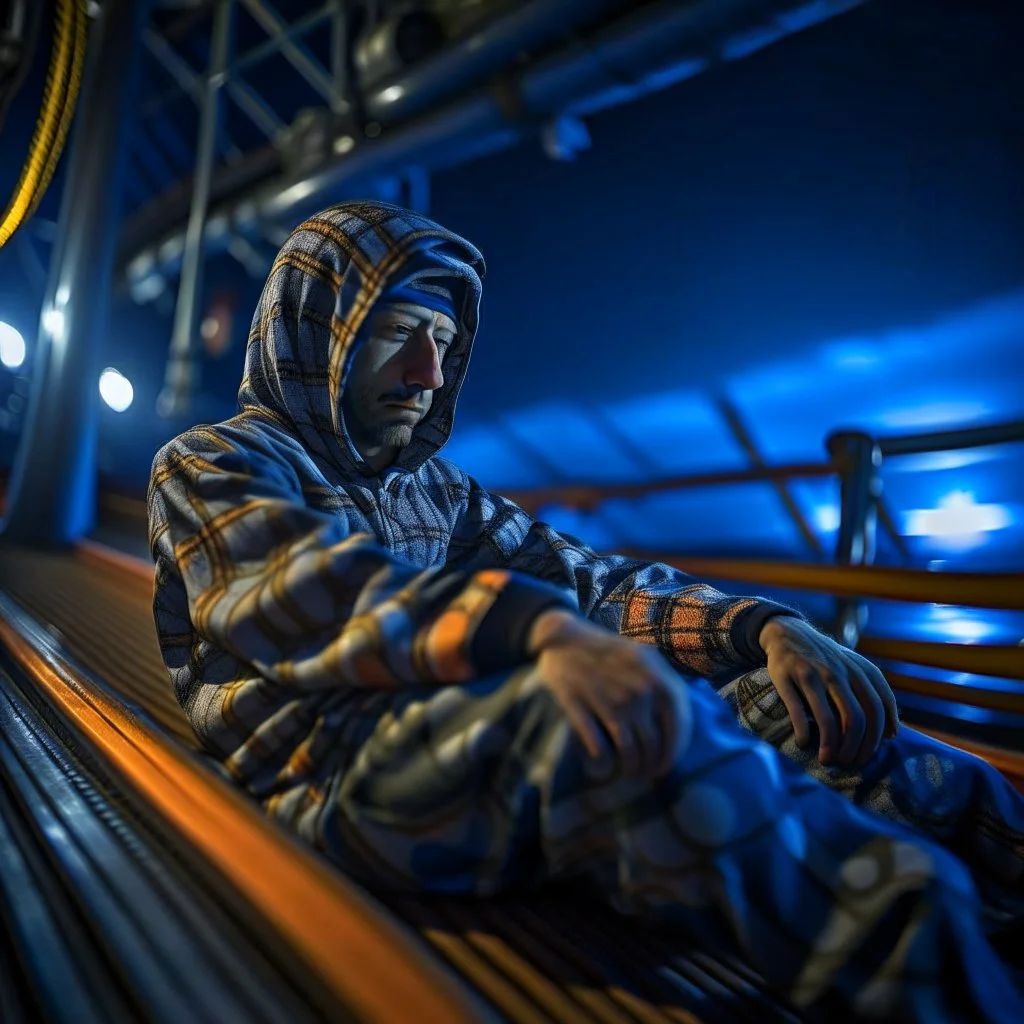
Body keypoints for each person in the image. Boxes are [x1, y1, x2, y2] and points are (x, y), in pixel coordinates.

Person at [148, 201, 1023, 1022]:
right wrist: (541, 631)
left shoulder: (433, 493)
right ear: (315, 327)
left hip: (457, 732)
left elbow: (589, 582)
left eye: (444, 342)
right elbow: (308, 591)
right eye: (394, 334)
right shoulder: (212, 463)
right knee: (637, 730)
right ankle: (920, 952)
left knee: (801, 715)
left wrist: (763, 630)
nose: (429, 373)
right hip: (335, 765)